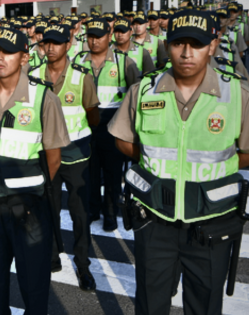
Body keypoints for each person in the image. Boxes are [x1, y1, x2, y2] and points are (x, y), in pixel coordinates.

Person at [109, 9, 249, 315]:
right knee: (150, 303)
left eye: (196, 44)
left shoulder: (236, 93)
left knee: (205, 305)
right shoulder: (144, 89)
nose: (186, 53)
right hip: (155, 219)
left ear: (213, 45)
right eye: (178, 43)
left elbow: (246, 151)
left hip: (211, 222)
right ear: (167, 45)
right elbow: (123, 139)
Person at [0, 28, 69, 314]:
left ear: (24, 57)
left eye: (7, 52)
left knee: (33, 285)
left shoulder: (43, 97)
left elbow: (54, 157)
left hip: (28, 208)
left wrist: (27, 188)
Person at [30, 23, 100, 291]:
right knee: (49, 208)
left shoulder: (82, 77)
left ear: (68, 45)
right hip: (45, 154)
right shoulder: (33, 74)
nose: (50, 48)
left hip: (76, 155)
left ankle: (83, 264)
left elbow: (93, 115)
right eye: (46, 42)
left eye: (56, 43)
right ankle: (52, 256)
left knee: (80, 213)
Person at [72, 18, 140, 231]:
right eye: (90, 36)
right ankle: (93, 209)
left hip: (112, 128)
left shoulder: (123, 62)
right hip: (85, 126)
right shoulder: (79, 60)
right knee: (90, 172)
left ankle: (110, 214)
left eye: (99, 36)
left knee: (111, 173)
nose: (94, 41)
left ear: (109, 37)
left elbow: (135, 93)